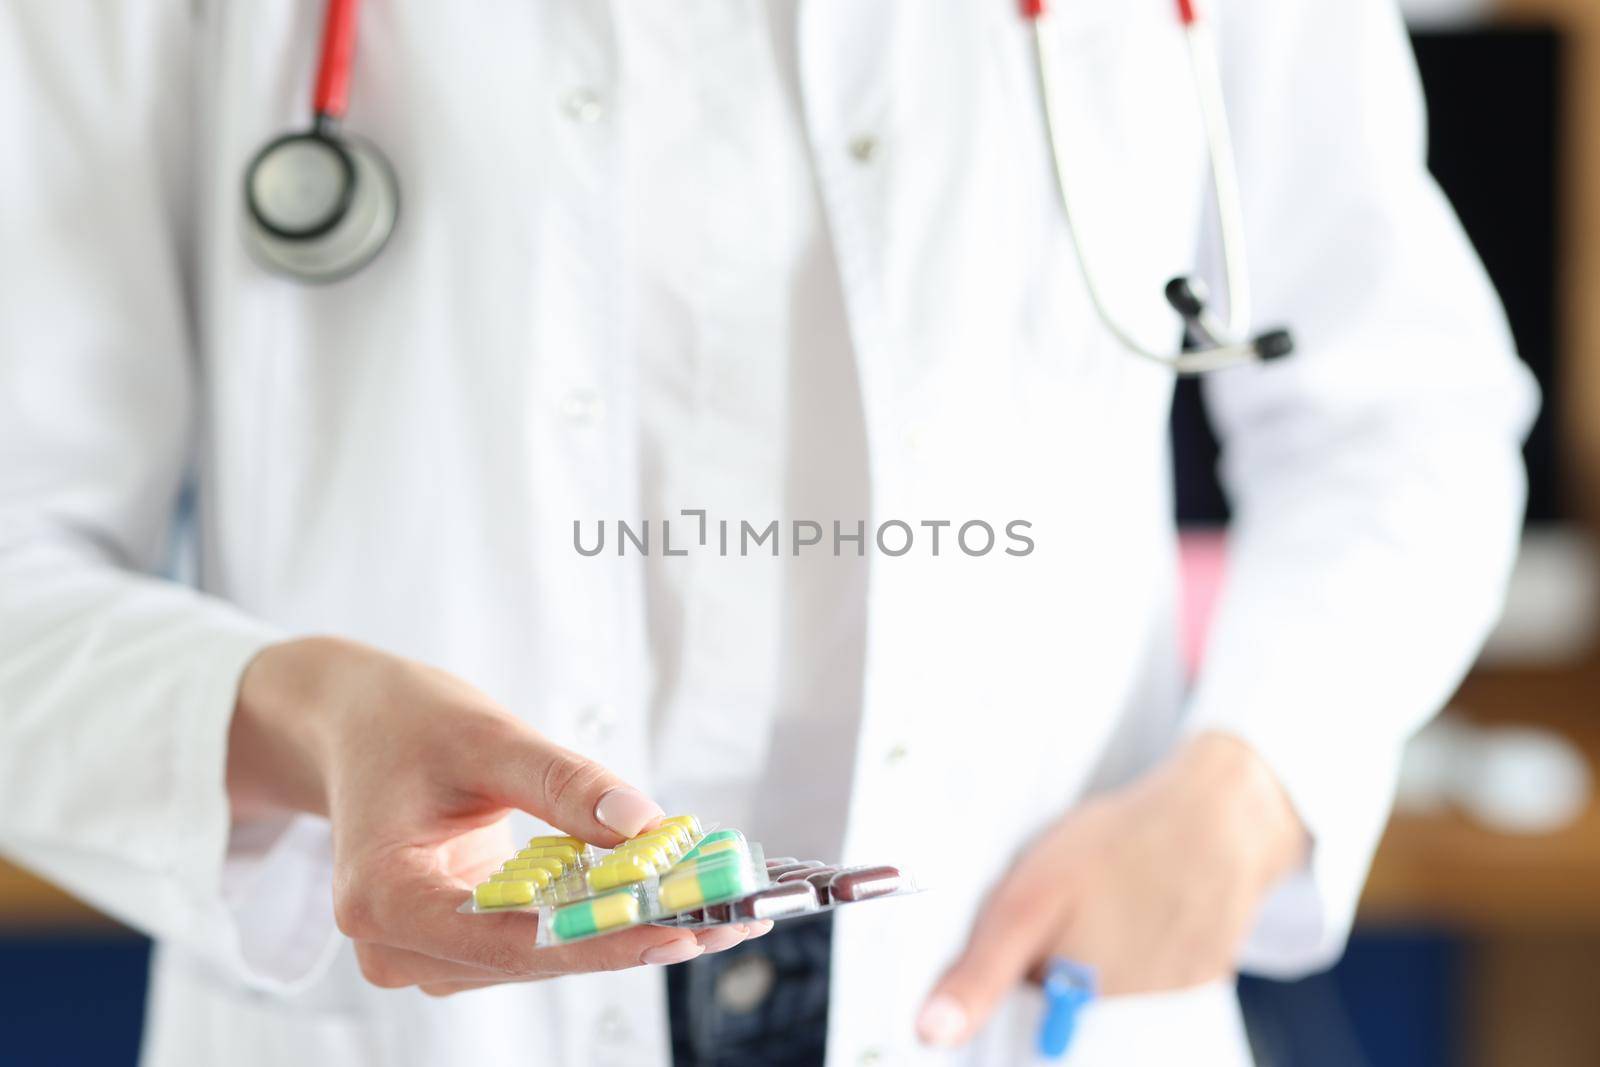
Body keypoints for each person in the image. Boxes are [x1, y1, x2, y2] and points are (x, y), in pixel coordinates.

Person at [0, 2, 1535, 1065]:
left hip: (1012, 994)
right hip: (423, 1024)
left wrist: (1260, 778)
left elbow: (1406, 408)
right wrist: (300, 719)